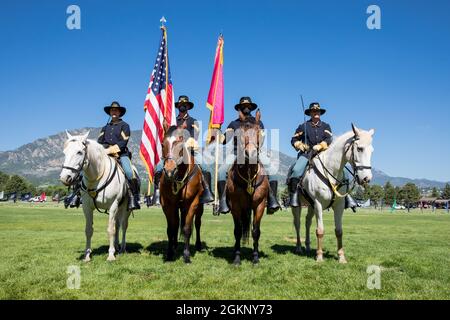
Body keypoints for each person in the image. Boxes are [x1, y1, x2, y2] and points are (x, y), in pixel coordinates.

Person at [287, 102, 359, 212]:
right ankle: (294, 197)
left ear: (320, 113)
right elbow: (294, 139)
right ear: (310, 113)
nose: (316, 113)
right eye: (314, 111)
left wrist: (321, 145)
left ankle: (347, 197)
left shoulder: (326, 126)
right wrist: (300, 145)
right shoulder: (303, 126)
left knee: (344, 171)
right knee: (296, 170)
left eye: (318, 111)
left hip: (324, 154)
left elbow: (329, 139)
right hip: (307, 154)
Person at [216, 97, 281, 215]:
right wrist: (218, 134)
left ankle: (272, 200)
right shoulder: (234, 123)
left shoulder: (258, 122)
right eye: (243, 106)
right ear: (239, 108)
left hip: (255, 152)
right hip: (236, 153)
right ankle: (223, 202)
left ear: (251, 107)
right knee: (221, 171)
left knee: (273, 171)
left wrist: (254, 148)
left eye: (248, 106)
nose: (246, 108)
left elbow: (261, 138)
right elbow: (225, 140)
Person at [152, 95, 214, 205]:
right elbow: (168, 138)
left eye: (184, 105)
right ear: (178, 106)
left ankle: (207, 191)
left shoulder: (194, 121)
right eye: (180, 105)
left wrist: (187, 142)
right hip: (173, 153)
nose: (182, 106)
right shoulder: (173, 122)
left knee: (205, 166)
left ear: (188, 107)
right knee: (158, 167)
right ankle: (157, 192)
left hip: (190, 151)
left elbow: (196, 136)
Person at [97, 101, 141, 210]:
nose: (114, 112)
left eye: (116, 110)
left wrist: (111, 150)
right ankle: (78, 194)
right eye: (112, 110)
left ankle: (133, 197)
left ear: (120, 112)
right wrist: (105, 150)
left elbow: (123, 142)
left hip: (121, 154)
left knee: (130, 172)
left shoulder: (125, 126)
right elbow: (99, 141)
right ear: (109, 112)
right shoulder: (105, 128)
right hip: (105, 154)